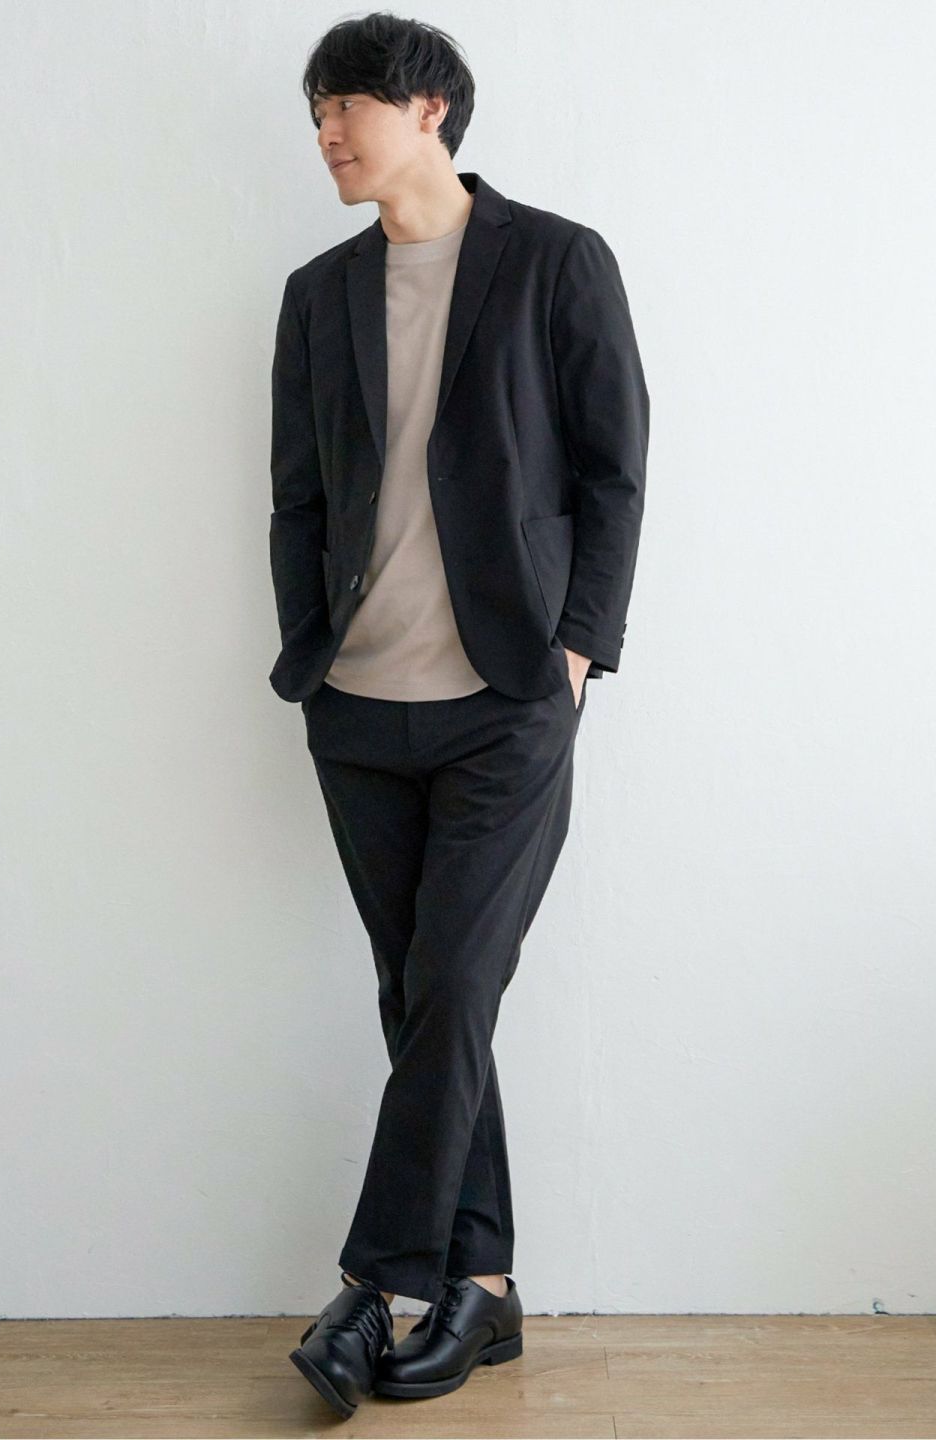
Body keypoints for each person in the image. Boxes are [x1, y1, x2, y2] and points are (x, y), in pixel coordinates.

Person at [270, 11, 649, 1419]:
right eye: (316, 114)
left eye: (345, 107)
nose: (326, 134)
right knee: (425, 1000)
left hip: (506, 705)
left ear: (428, 109)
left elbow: (615, 467)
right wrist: (308, 647)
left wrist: (580, 648)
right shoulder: (318, 294)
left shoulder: (555, 260)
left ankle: (381, 1283)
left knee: (450, 990)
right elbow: (298, 496)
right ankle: (482, 1289)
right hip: (359, 710)